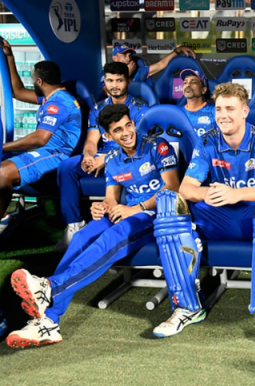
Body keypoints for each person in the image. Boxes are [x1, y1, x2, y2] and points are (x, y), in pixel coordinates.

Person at [6, 104, 179, 348]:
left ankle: (51, 288)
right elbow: (111, 198)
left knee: (112, 236)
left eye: (128, 125)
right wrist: (102, 207)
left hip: (156, 214)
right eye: (118, 130)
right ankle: (49, 322)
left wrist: (136, 208)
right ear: (108, 135)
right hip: (126, 212)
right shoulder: (113, 159)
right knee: (81, 238)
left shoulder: (158, 146)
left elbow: (172, 187)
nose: (126, 133)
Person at [152, 82, 255, 340]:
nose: (223, 115)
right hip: (220, 215)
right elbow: (186, 188)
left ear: (245, 111)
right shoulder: (207, 141)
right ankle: (187, 306)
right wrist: (207, 193)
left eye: (230, 108)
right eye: (218, 109)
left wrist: (237, 194)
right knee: (169, 203)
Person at [55, 62, 151, 249]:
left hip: (129, 159)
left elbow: (137, 145)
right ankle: (74, 225)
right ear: (104, 82)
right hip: (102, 155)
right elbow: (92, 140)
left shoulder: (141, 109)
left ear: (128, 82)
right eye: (110, 80)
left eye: (119, 80)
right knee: (66, 166)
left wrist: (106, 159)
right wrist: (88, 156)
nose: (114, 85)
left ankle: (120, 230)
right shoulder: (98, 109)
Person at [0, 40, 81, 236]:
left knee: (2, 173)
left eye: (32, 78)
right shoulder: (50, 97)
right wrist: (9, 56)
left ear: (39, 82)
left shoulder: (59, 103)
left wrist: (3, 147)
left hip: (57, 155)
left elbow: (40, 139)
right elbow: (18, 92)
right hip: (45, 152)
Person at [107, 43, 195, 87]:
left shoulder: (139, 72)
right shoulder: (107, 73)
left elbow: (161, 65)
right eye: (124, 55)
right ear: (114, 58)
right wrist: (127, 74)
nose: (128, 59)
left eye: (130, 56)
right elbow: (110, 93)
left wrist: (178, 50)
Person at [179, 68, 216, 137]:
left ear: (203, 90)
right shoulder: (177, 113)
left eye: (193, 82)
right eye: (185, 83)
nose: (188, 85)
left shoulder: (215, 112)